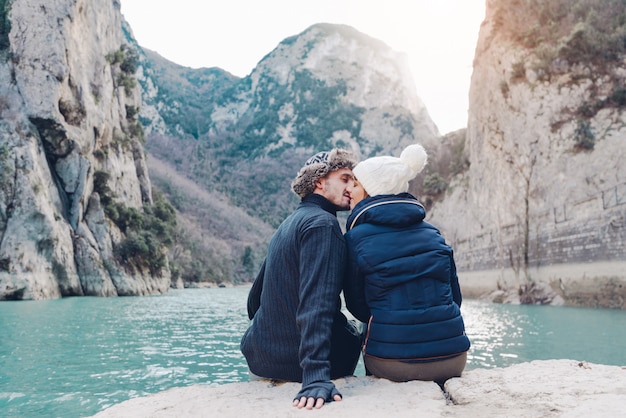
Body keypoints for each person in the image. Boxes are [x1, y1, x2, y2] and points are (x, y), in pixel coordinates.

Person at [241, 148, 362, 410]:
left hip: (260, 361)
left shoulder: (288, 224)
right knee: (362, 326)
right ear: (319, 182)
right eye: (345, 178)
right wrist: (315, 377)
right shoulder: (323, 225)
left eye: (354, 182)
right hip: (299, 369)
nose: (352, 187)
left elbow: (254, 302)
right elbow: (316, 305)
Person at [343, 143, 470, 384]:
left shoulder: (355, 239)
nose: (349, 189)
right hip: (453, 358)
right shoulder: (434, 233)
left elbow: (357, 307)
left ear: (372, 191)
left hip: (393, 363)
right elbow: (456, 298)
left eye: (356, 184)